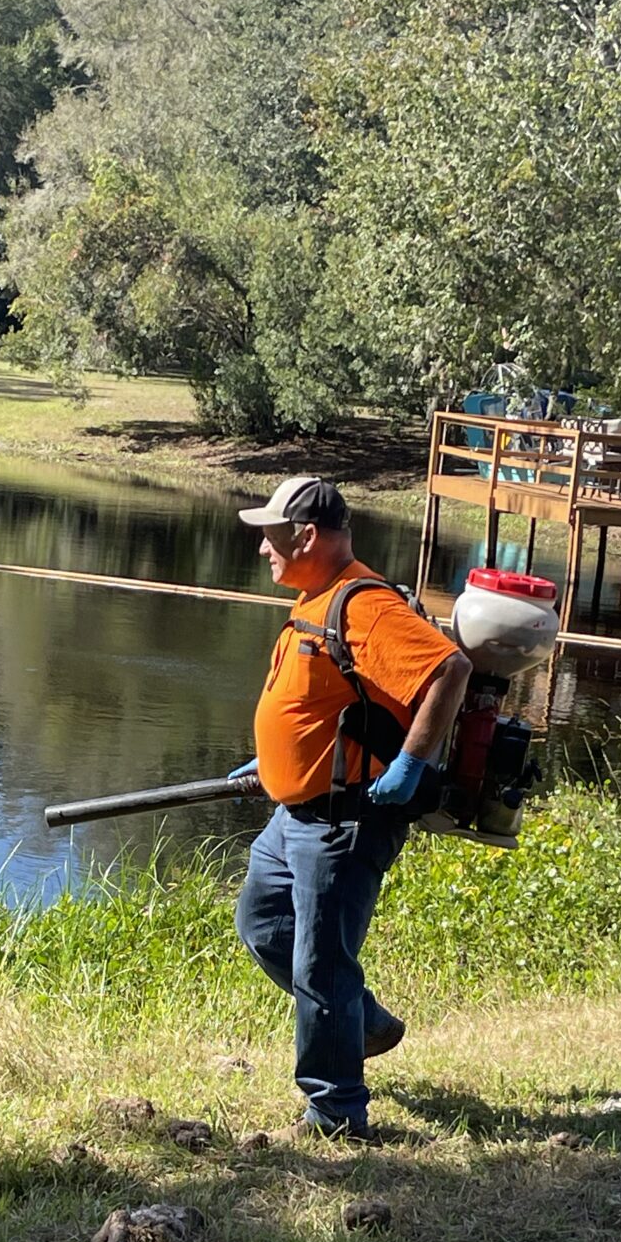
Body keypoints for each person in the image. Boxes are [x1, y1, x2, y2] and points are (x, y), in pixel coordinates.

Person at [231, 476, 470, 1139]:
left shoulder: (364, 603)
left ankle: (336, 1113)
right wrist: (275, 758)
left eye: (272, 536)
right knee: (261, 924)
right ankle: (360, 1022)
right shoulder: (318, 596)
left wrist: (410, 765)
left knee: (320, 964)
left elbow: (450, 671)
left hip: (345, 818)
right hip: (294, 813)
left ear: (306, 535)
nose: (263, 549)